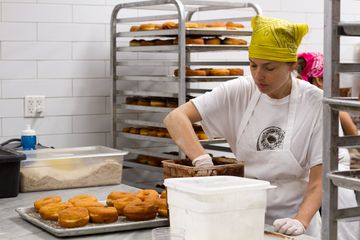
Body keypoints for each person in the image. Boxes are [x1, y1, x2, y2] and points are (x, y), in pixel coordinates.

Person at [164, 16, 322, 237]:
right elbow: (175, 117)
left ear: (292, 65)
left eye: (269, 68)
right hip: (243, 215)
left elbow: (319, 179)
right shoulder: (240, 91)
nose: (259, 75)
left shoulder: (315, 103)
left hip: (294, 220)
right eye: (253, 65)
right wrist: (201, 160)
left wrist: (300, 221)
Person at [297, 52, 360, 240]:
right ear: (319, 79)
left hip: (307, 181)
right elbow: (353, 135)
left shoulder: (300, 102)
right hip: (335, 178)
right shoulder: (330, 104)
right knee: (342, 231)